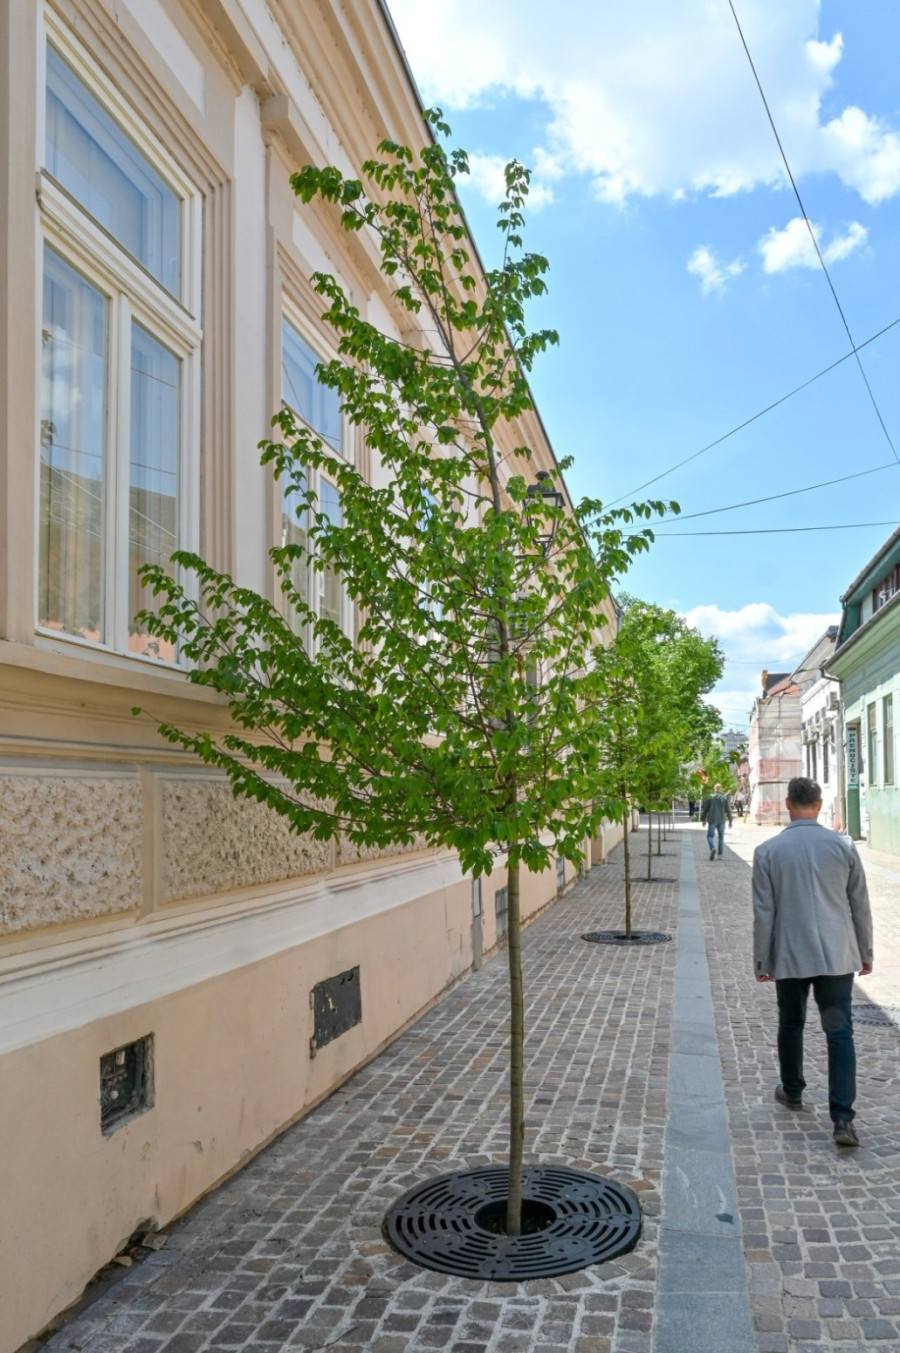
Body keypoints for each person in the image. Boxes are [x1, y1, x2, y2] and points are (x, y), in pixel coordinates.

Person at [752, 776, 873, 1148]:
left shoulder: (768, 851)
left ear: (789, 804)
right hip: (837, 957)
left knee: (791, 1023)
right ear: (819, 805)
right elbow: (860, 906)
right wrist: (865, 953)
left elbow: (764, 913)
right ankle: (842, 1119)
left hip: (790, 955)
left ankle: (792, 1090)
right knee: (839, 1033)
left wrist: (762, 959)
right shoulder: (843, 846)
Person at [701, 783, 732, 860]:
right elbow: (728, 811)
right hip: (721, 820)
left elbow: (705, 810)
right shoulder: (724, 799)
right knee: (721, 838)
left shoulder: (710, 798)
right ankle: (720, 855)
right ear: (721, 789)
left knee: (710, 836)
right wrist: (730, 821)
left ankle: (712, 848)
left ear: (714, 789)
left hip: (712, 820)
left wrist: (703, 820)